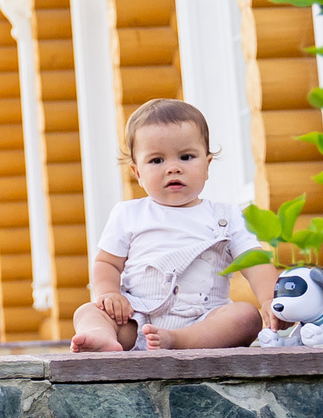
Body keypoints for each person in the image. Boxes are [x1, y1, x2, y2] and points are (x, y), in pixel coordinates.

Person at [72, 99, 276, 353]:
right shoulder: (128, 213)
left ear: (207, 165)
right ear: (137, 172)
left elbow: (254, 261)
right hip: (137, 319)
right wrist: (109, 293)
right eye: (157, 161)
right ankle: (101, 337)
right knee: (88, 311)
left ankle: (178, 341)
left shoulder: (225, 216)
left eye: (186, 157)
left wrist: (270, 299)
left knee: (246, 316)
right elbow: (107, 263)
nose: (173, 168)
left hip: (203, 322)